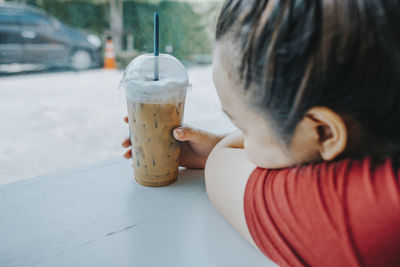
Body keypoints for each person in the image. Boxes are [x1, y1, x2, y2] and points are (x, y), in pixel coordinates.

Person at [122, 0, 400, 266]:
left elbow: (222, 166)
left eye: (242, 129)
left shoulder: (374, 218)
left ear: (325, 132)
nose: (238, 140)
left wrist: (219, 153)